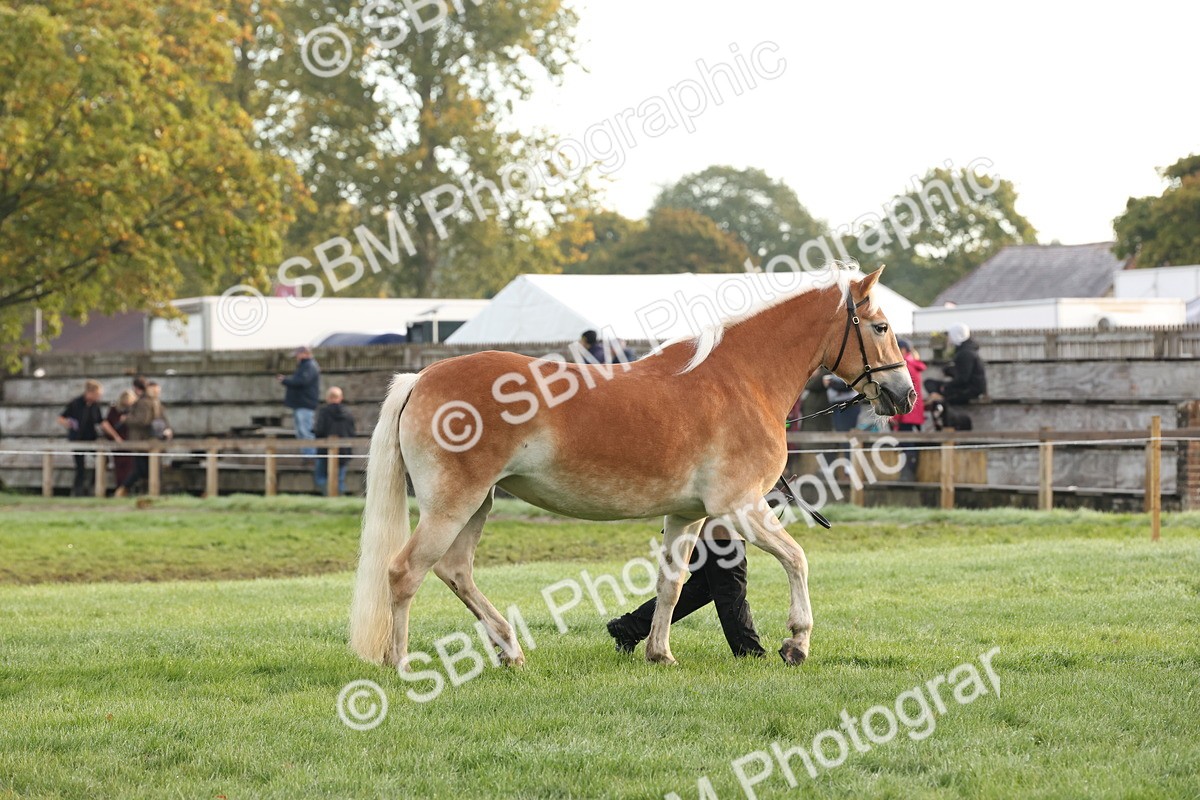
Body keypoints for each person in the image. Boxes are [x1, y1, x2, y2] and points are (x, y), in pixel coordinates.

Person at [606, 522, 766, 659]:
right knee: (730, 590)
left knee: (704, 588)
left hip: (704, 530)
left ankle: (630, 627)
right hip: (719, 532)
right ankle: (750, 653)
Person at [57, 380, 119, 496]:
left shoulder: (95, 406)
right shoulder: (75, 403)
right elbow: (61, 418)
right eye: (97, 394)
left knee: (103, 459)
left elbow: (102, 422)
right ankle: (78, 492)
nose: (99, 397)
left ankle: (92, 485)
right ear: (90, 392)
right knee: (80, 467)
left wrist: (115, 436)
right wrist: (69, 423)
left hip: (91, 439)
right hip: (77, 439)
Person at [115, 380, 173, 497]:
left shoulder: (145, 403)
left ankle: (126, 490)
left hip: (144, 440)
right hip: (148, 440)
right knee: (145, 469)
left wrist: (126, 419)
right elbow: (150, 420)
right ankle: (129, 490)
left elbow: (143, 420)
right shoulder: (152, 403)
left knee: (144, 469)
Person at [924, 324, 987, 405]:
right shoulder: (967, 350)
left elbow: (963, 378)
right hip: (971, 388)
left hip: (970, 390)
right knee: (930, 383)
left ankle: (939, 399)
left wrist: (946, 387)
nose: (949, 338)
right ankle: (938, 397)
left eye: (950, 335)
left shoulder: (965, 353)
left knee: (931, 384)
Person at [278, 346, 321, 457]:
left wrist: (285, 381)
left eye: (297, 355)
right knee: (301, 432)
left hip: (305, 404)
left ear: (304, 354)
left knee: (306, 431)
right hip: (300, 404)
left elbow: (302, 382)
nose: (296, 358)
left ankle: (310, 457)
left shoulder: (309, 366)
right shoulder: (304, 366)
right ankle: (306, 455)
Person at [313, 386, 356, 495]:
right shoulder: (348, 413)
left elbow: (319, 431)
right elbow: (352, 433)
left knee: (320, 477)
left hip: (324, 451)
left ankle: (328, 494)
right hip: (344, 451)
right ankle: (338, 498)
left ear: (328, 398)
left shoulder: (323, 412)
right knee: (340, 479)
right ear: (340, 397)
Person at [894, 340, 926, 480]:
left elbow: (902, 392)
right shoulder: (913, 365)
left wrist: (894, 416)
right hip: (913, 413)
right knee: (910, 442)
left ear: (903, 350)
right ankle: (908, 474)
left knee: (906, 442)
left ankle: (907, 475)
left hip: (907, 413)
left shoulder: (906, 367)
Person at [104, 389, 138, 488]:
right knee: (120, 467)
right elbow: (109, 425)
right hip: (118, 442)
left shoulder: (134, 410)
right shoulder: (115, 410)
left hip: (130, 441)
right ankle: (120, 487)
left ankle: (127, 488)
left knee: (130, 466)